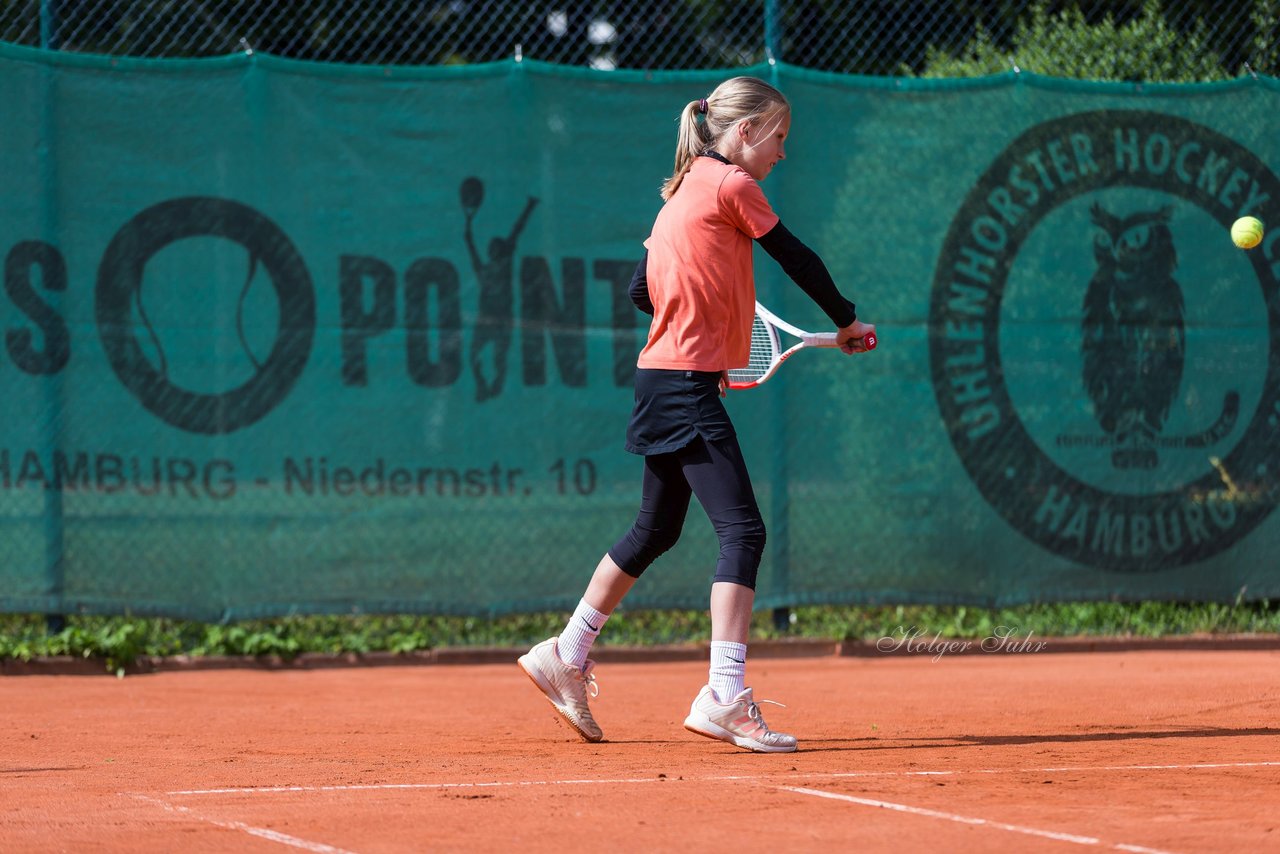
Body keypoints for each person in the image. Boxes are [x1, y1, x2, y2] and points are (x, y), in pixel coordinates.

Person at [518, 76, 875, 753]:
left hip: (658, 379)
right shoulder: (733, 186)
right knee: (744, 533)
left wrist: (696, 316)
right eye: (778, 139)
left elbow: (637, 289)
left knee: (654, 529)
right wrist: (847, 320)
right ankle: (724, 696)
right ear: (745, 132)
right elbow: (796, 258)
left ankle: (566, 653)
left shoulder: (680, 191)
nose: (782, 154)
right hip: (683, 385)